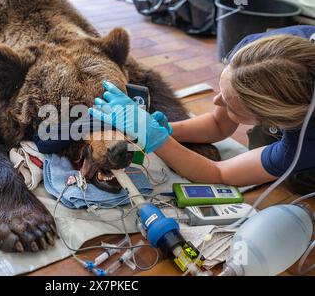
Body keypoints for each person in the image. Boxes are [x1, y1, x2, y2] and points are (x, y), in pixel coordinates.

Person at [89, 25, 315, 194]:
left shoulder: (304, 143)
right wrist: (160, 130)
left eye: (231, 105)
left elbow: (219, 172)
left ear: (273, 118)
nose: (216, 102)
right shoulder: (256, 54)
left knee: (297, 180)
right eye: (222, 91)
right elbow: (217, 125)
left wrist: (158, 140)